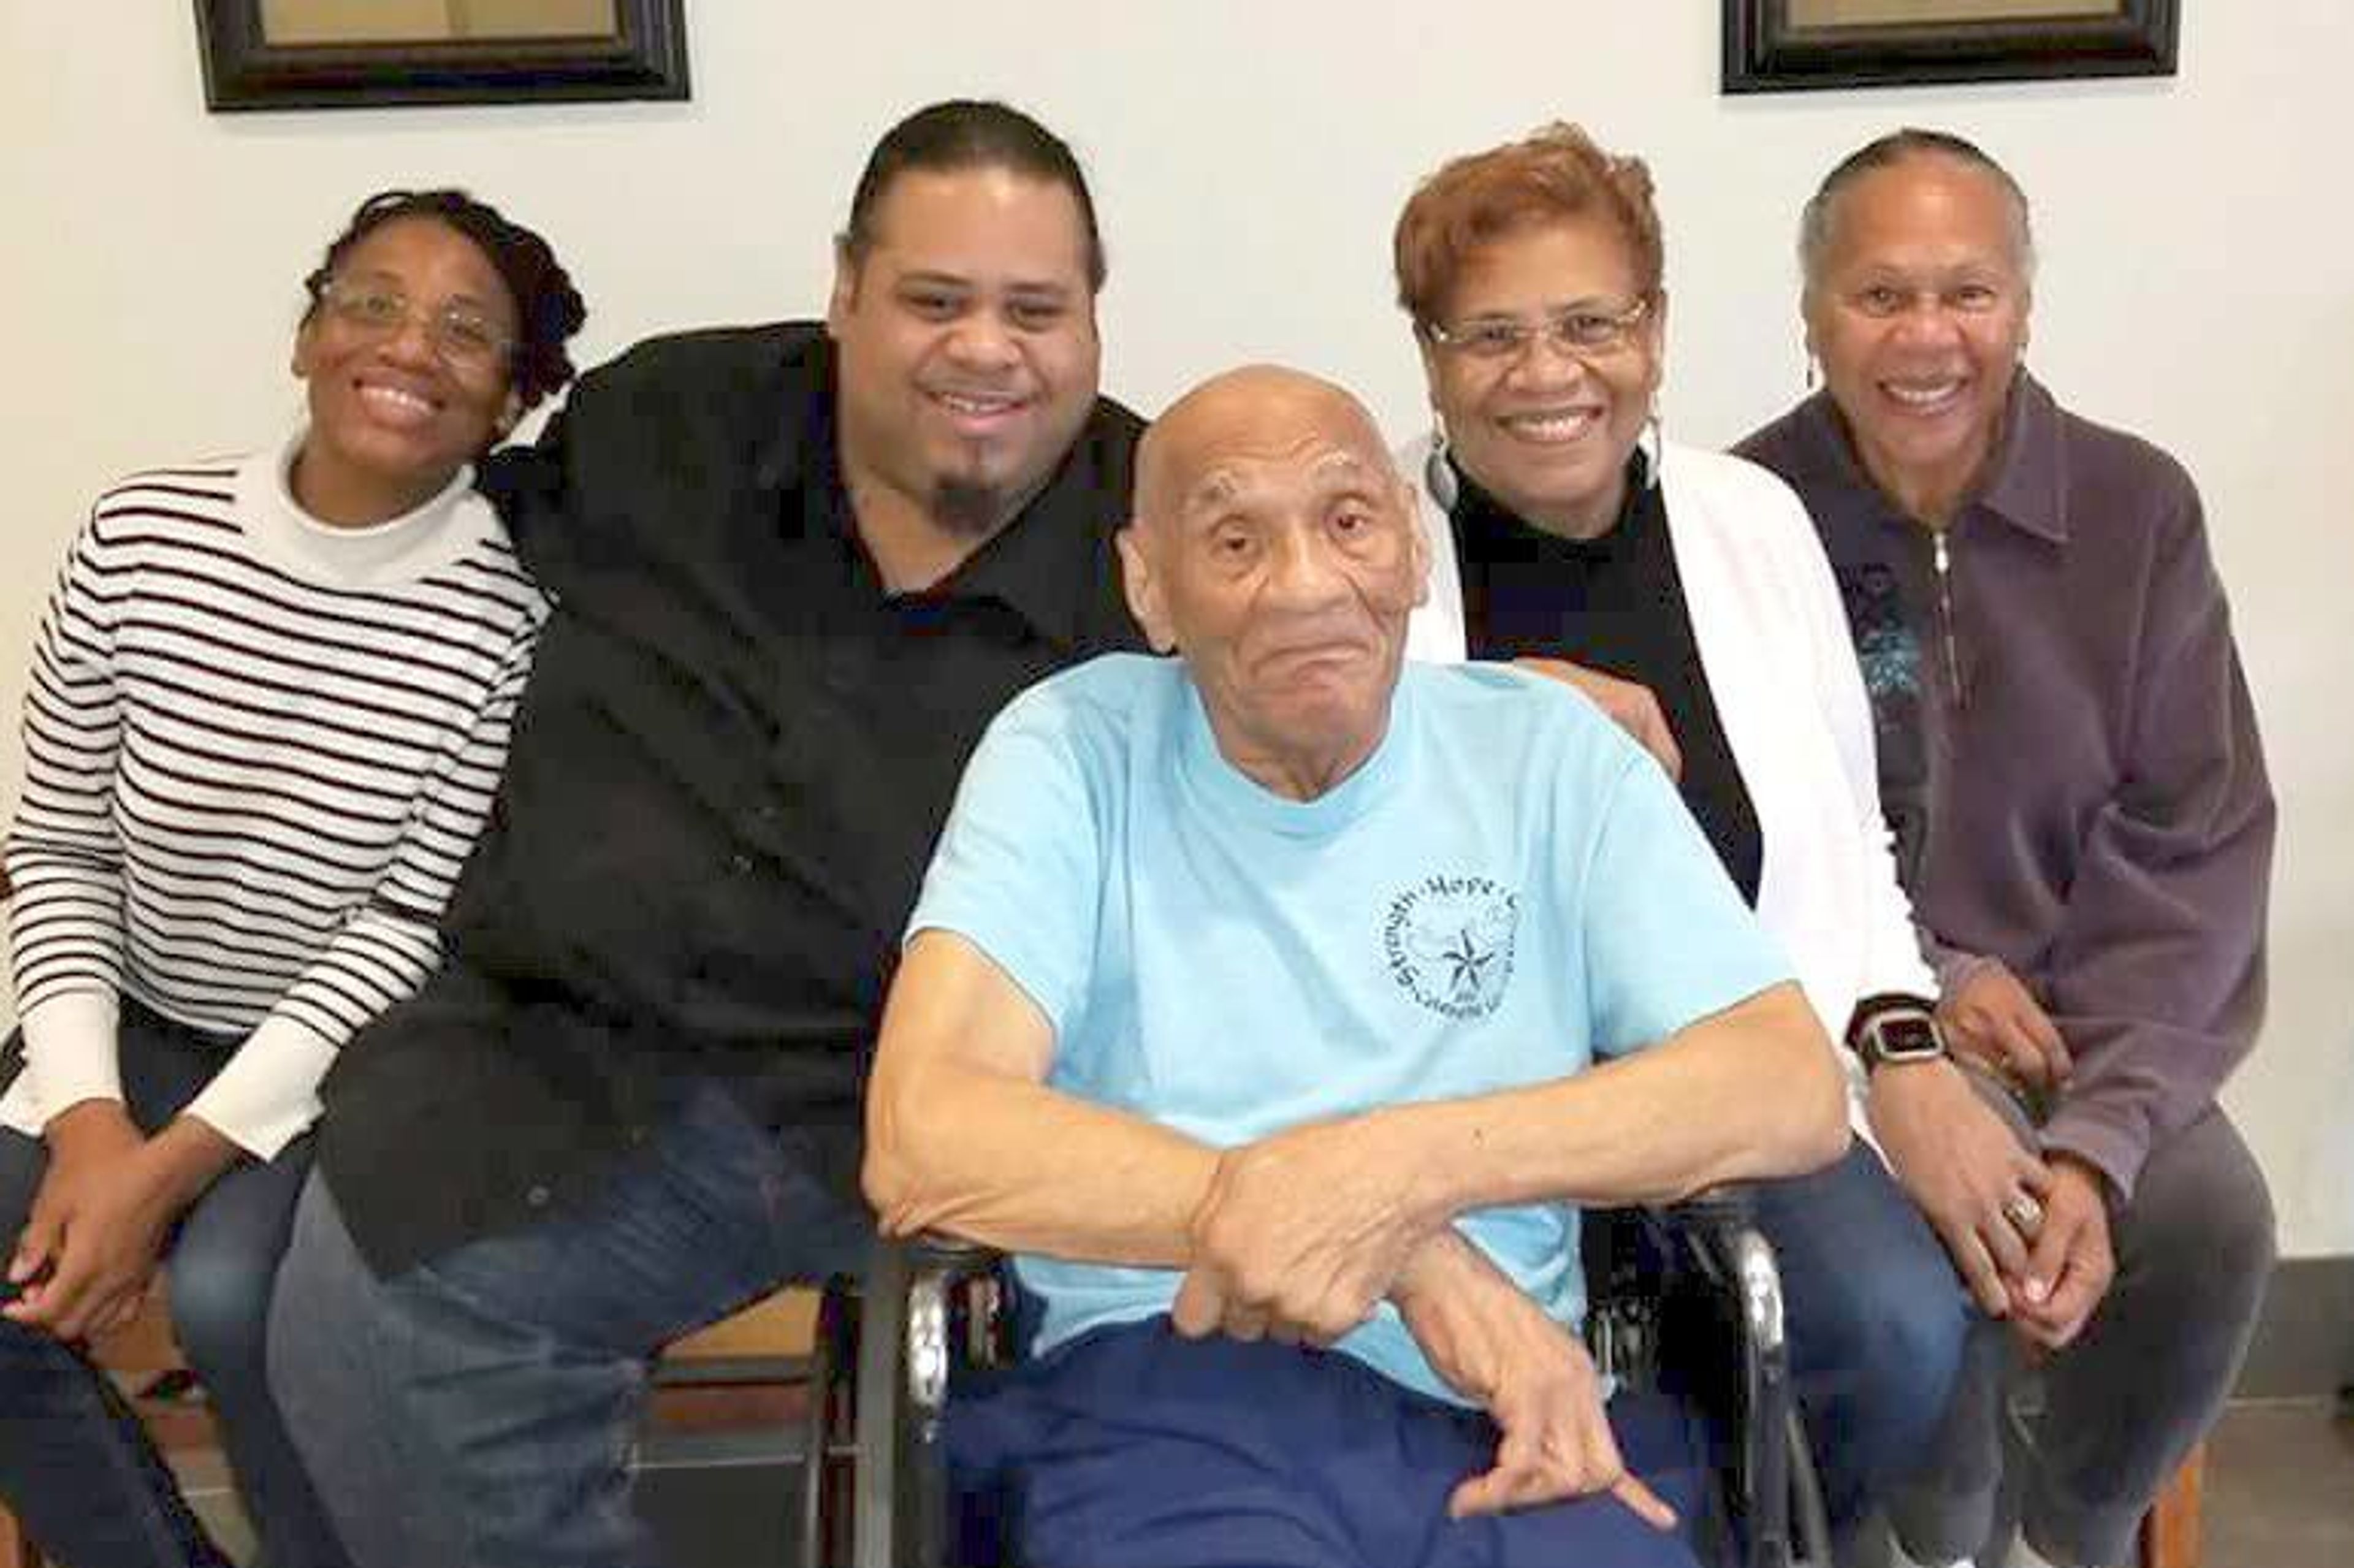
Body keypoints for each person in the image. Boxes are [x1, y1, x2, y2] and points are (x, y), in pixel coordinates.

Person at [265, 101, 1149, 1568]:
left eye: (1035, 309)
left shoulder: (1159, 530)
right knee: (359, 1312)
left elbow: (1329, 687)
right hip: (549, 1054)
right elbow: (432, 534)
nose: (986, 349)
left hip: (894, 1098)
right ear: (846, 291)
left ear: (1093, 322)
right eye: (935, 299)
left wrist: (1507, 693)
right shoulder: (667, 421)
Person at [863, 364, 1852, 1568]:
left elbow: (1788, 1086)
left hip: (1513, 1400)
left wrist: (1402, 1171)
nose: (1307, 587)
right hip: (1171, 1384)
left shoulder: (1547, 758)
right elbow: (927, 1130)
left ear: (1411, 549)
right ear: (1148, 586)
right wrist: (1406, 1250)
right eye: (1235, 539)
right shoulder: (1071, 753)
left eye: (1347, 522)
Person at [1388, 122, 1969, 1558]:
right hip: (1472, 1086)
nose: (1547, 374)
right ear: (1430, 353)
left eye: (1591, 322)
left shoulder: (1752, 522)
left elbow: (1849, 842)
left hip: (1728, 1069)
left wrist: (1903, 1051)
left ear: (1654, 331)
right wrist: (1500, 706)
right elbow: (1313, 799)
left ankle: (1727, 1533)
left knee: (1894, 1328)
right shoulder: (1363, 538)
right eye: (1493, 333)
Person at [0, 188, 583, 1568]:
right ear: (309, 334)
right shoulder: (139, 535)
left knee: (230, 1296)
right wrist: (90, 1129)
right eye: (371, 302)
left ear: (509, 402)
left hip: (350, 1059)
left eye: (465, 332)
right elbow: (59, 846)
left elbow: (406, 933)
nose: (406, 347)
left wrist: (161, 1177)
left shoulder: (517, 616)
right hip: (123, 1019)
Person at [1737, 128, 2276, 1568]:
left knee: (2215, 1218)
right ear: (1809, 316)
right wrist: (1932, 980)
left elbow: (2196, 836)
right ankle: (1941, 1544)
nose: (1927, 338)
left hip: (2094, 1028)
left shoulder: (2137, 509)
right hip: (1852, 1020)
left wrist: (2099, 1141)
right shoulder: (1742, 518)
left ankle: (2073, 1536)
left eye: (1966, 293)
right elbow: (1760, 831)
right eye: (1878, 295)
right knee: (1952, 1233)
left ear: (2025, 306)